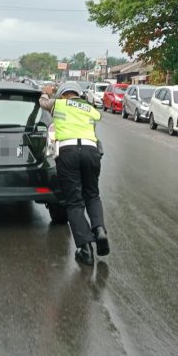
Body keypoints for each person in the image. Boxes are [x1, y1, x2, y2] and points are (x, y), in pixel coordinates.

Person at [40, 81, 108, 266]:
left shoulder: (58, 103)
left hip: (68, 153)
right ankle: (99, 230)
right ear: (79, 94)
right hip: (91, 151)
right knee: (92, 195)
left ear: (63, 94)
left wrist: (45, 93)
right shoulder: (89, 108)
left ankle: (85, 249)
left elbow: (43, 103)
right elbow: (96, 119)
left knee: (74, 201)